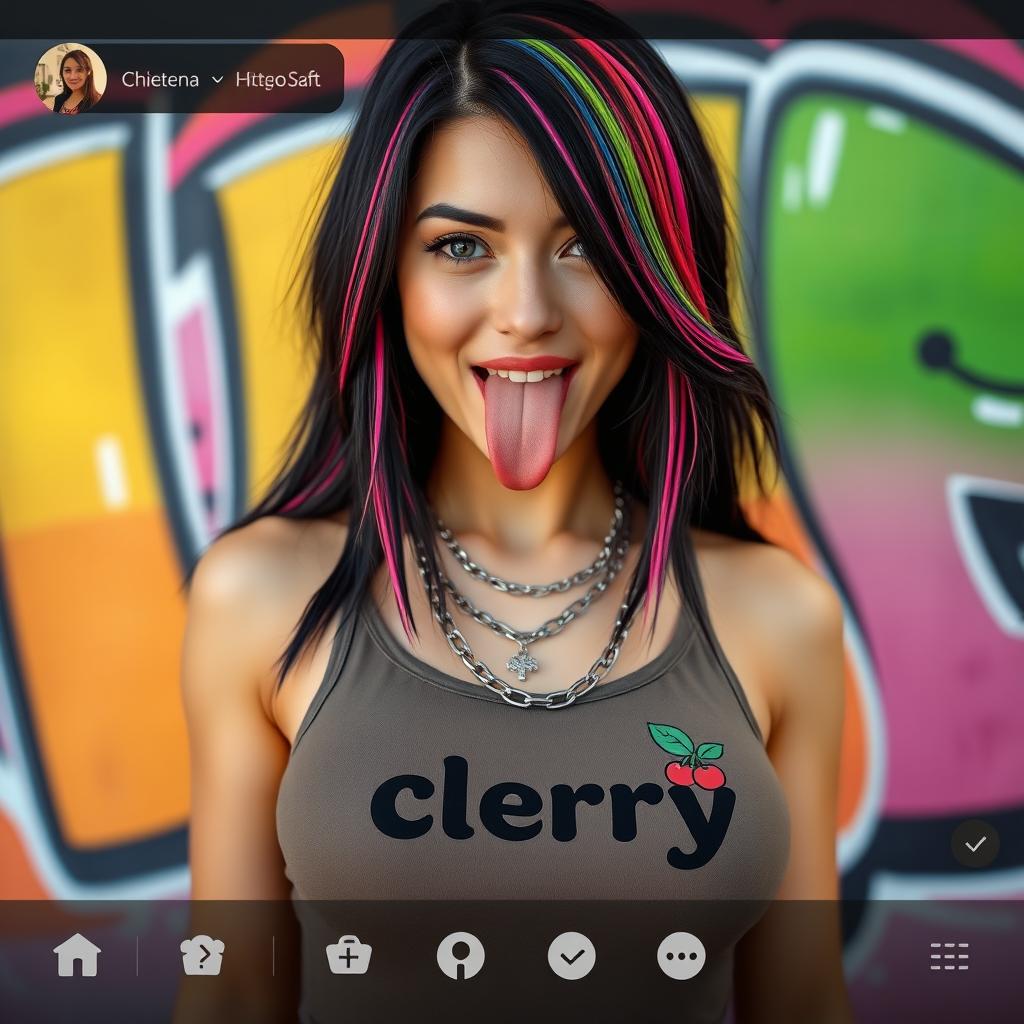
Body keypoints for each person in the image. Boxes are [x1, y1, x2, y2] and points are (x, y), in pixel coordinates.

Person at [178, 1, 851, 1020]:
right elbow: (229, 994)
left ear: (655, 273)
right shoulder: (261, 597)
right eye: (461, 247)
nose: (528, 310)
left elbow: (801, 1001)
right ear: (385, 274)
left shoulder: (778, 615)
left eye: (585, 246)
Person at [51, 49, 102, 114]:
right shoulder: (59, 99)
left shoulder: (97, 101)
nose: (73, 77)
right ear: (62, 73)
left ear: (88, 72)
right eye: (67, 70)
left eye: (79, 70)